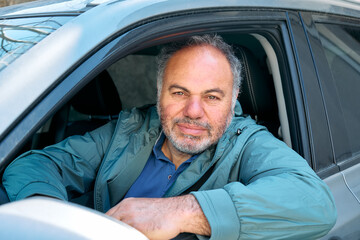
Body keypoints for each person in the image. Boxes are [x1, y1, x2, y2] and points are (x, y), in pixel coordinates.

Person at [3, 34, 336, 239]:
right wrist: (48, 218)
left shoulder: (248, 143)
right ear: (159, 92)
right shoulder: (130, 128)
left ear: (233, 101)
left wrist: (185, 212)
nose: (193, 111)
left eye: (212, 96)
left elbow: (316, 203)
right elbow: (37, 164)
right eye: (179, 92)